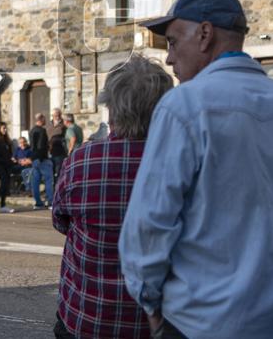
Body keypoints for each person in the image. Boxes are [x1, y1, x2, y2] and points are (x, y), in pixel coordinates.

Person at [120, 0, 273, 339]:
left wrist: (152, 308)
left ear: (204, 34)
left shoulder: (184, 105)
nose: (169, 58)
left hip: (199, 323)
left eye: (172, 42)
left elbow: (149, 225)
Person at [53, 56, 173, 339]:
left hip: (87, 317)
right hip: (154, 325)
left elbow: (61, 221)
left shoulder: (81, 161)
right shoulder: (178, 161)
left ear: (110, 108)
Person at [29, 113, 54, 208]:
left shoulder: (32, 130)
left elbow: (32, 146)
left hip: (34, 159)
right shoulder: (42, 131)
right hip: (42, 159)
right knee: (48, 180)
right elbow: (40, 146)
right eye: (44, 119)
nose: (45, 121)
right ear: (41, 119)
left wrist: (33, 158)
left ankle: (38, 202)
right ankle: (50, 201)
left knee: (35, 182)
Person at [48, 108, 68, 180]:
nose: (57, 117)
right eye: (55, 115)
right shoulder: (49, 125)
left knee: (59, 171)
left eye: (59, 115)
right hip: (49, 152)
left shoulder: (64, 125)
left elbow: (66, 139)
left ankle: (58, 188)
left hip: (60, 152)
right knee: (50, 171)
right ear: (52, 115)